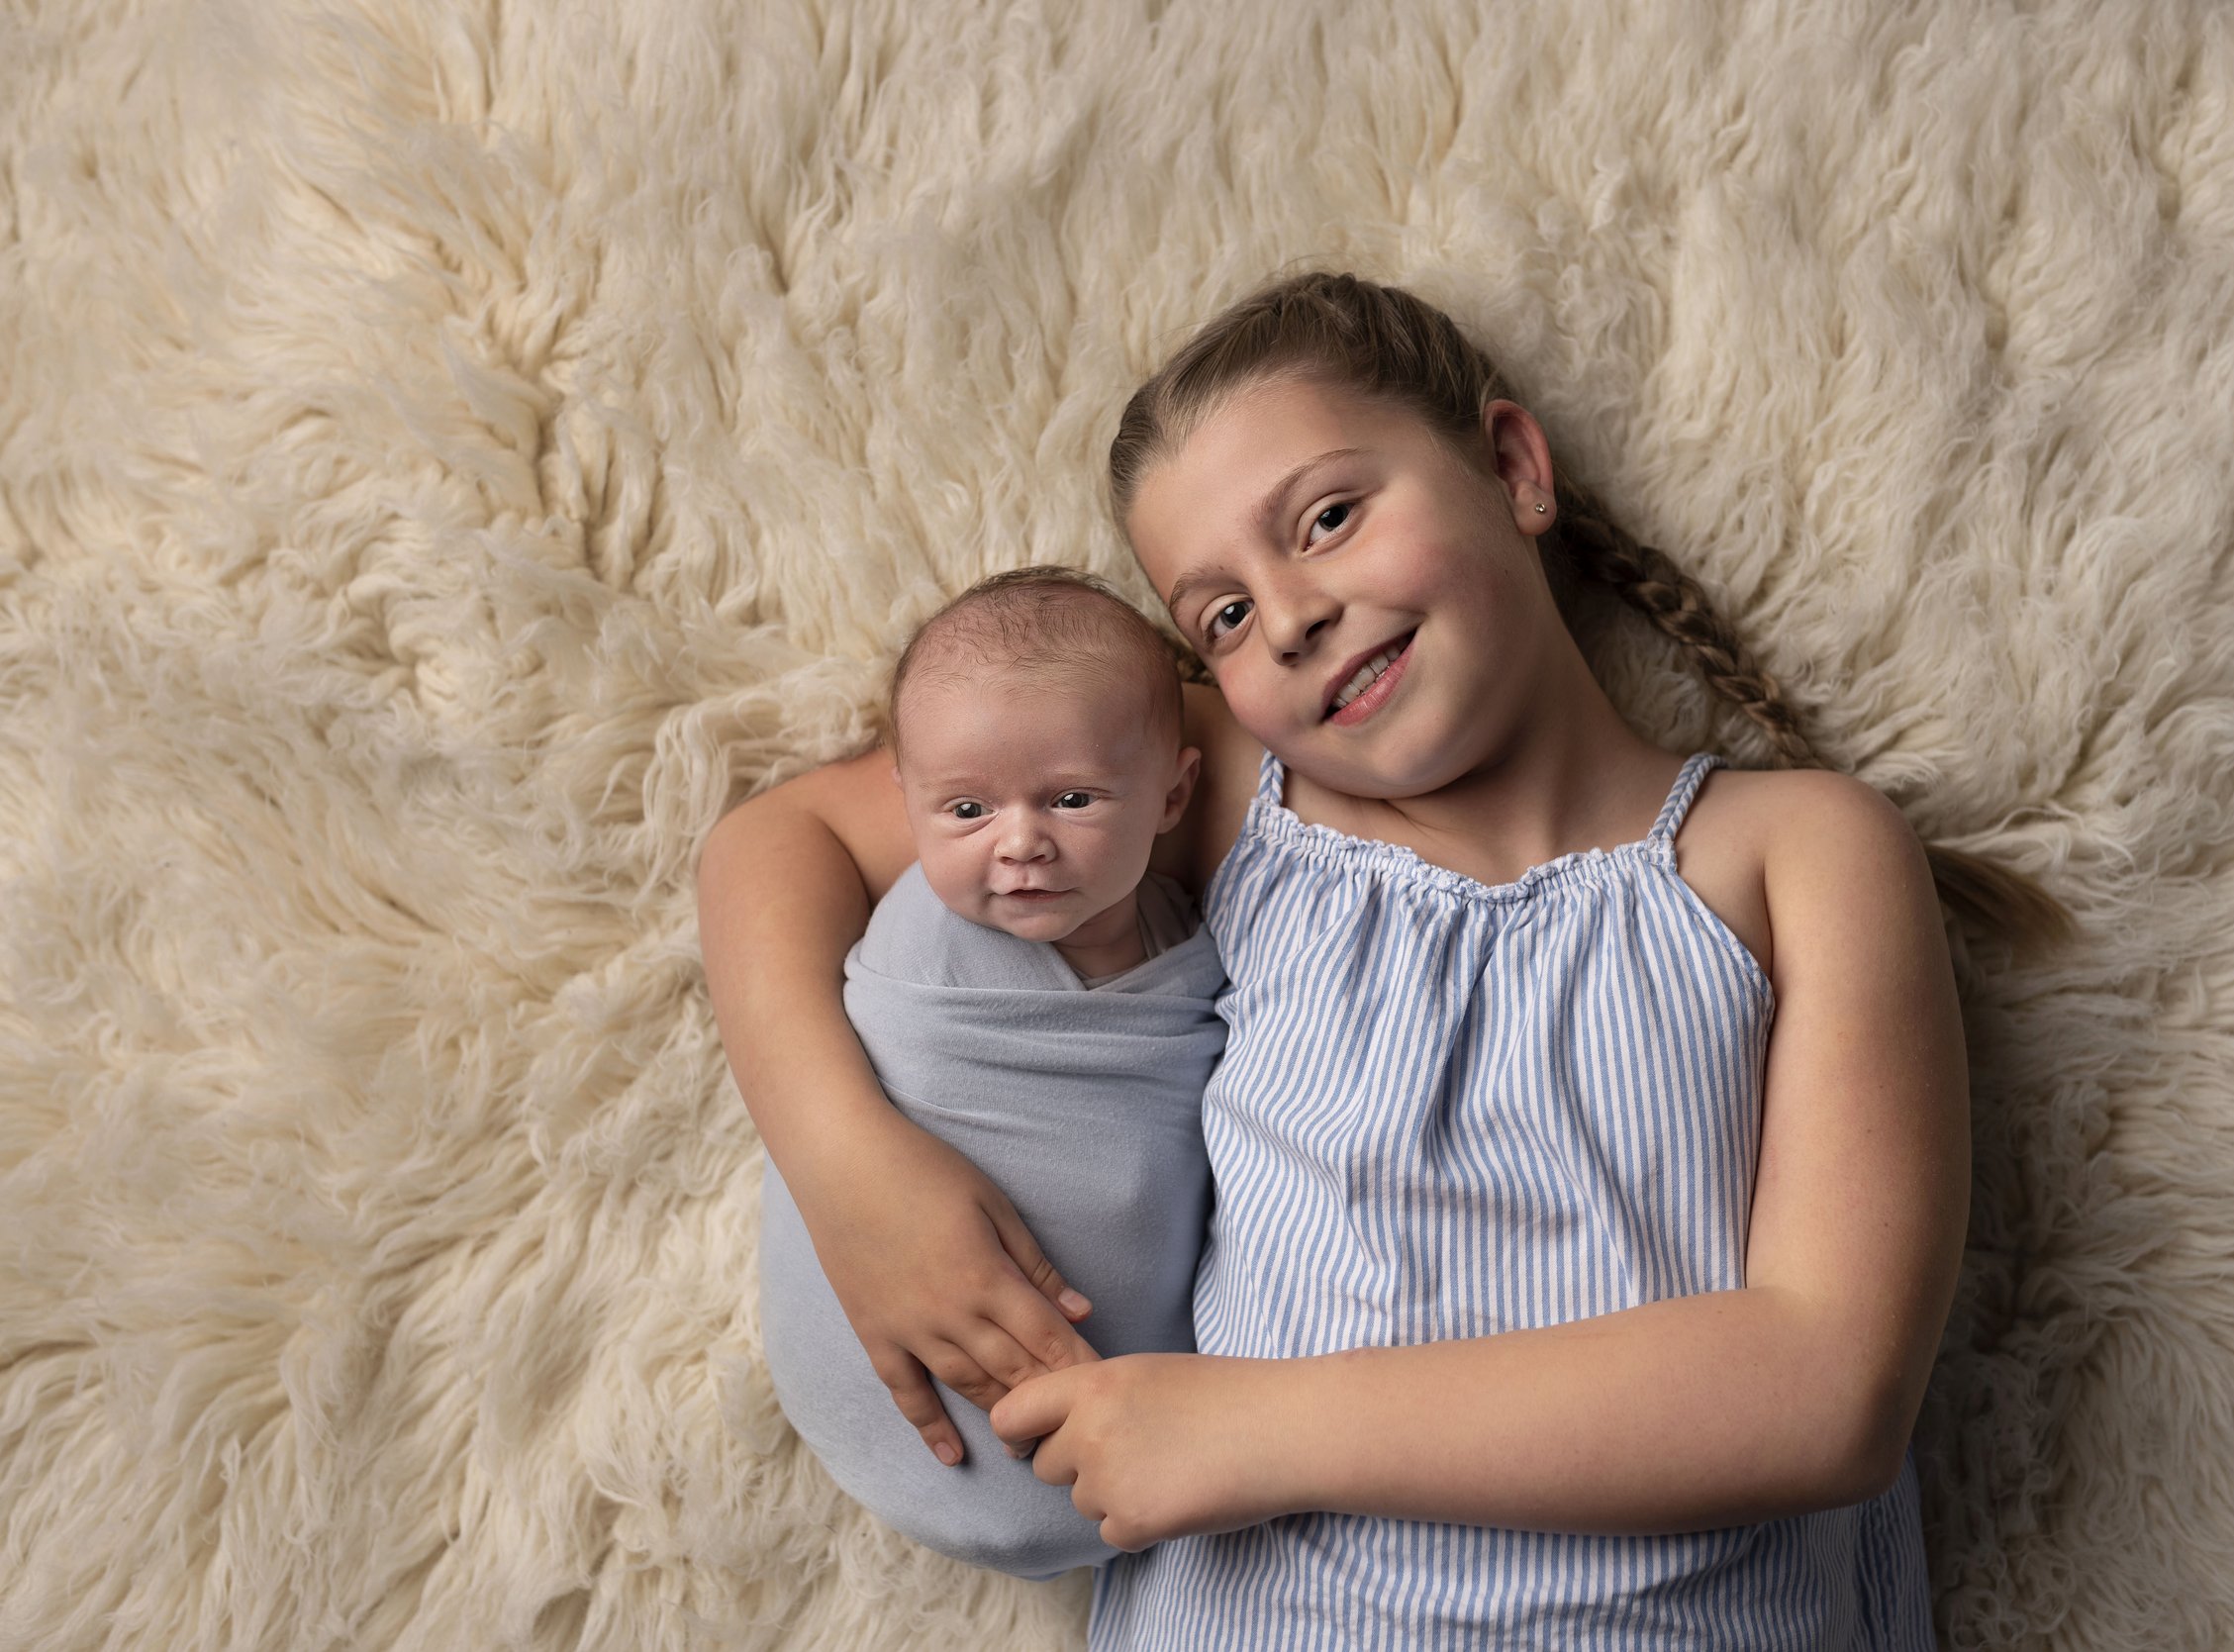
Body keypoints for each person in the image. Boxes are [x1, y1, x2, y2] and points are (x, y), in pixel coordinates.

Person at [698, 271, 2074, 1647]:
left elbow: (1824, 1393)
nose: (1288, 615)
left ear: (1513, 469)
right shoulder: (1234, 795)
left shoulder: (1794, 856)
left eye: (1331, 518)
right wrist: (847, 1167)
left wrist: (1256, 1425)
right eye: (1220, 616)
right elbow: (777, 842)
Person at [754, 567, 1225, 1580]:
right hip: (907, 1366)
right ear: (907, 804)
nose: (1018, 843)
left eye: (1071, 798)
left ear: (1172, 793)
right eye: (965, 809)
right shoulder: (916, 946)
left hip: (1156, 1448)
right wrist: (846, 1162)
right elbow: (762, 843)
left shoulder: (1196, 946)